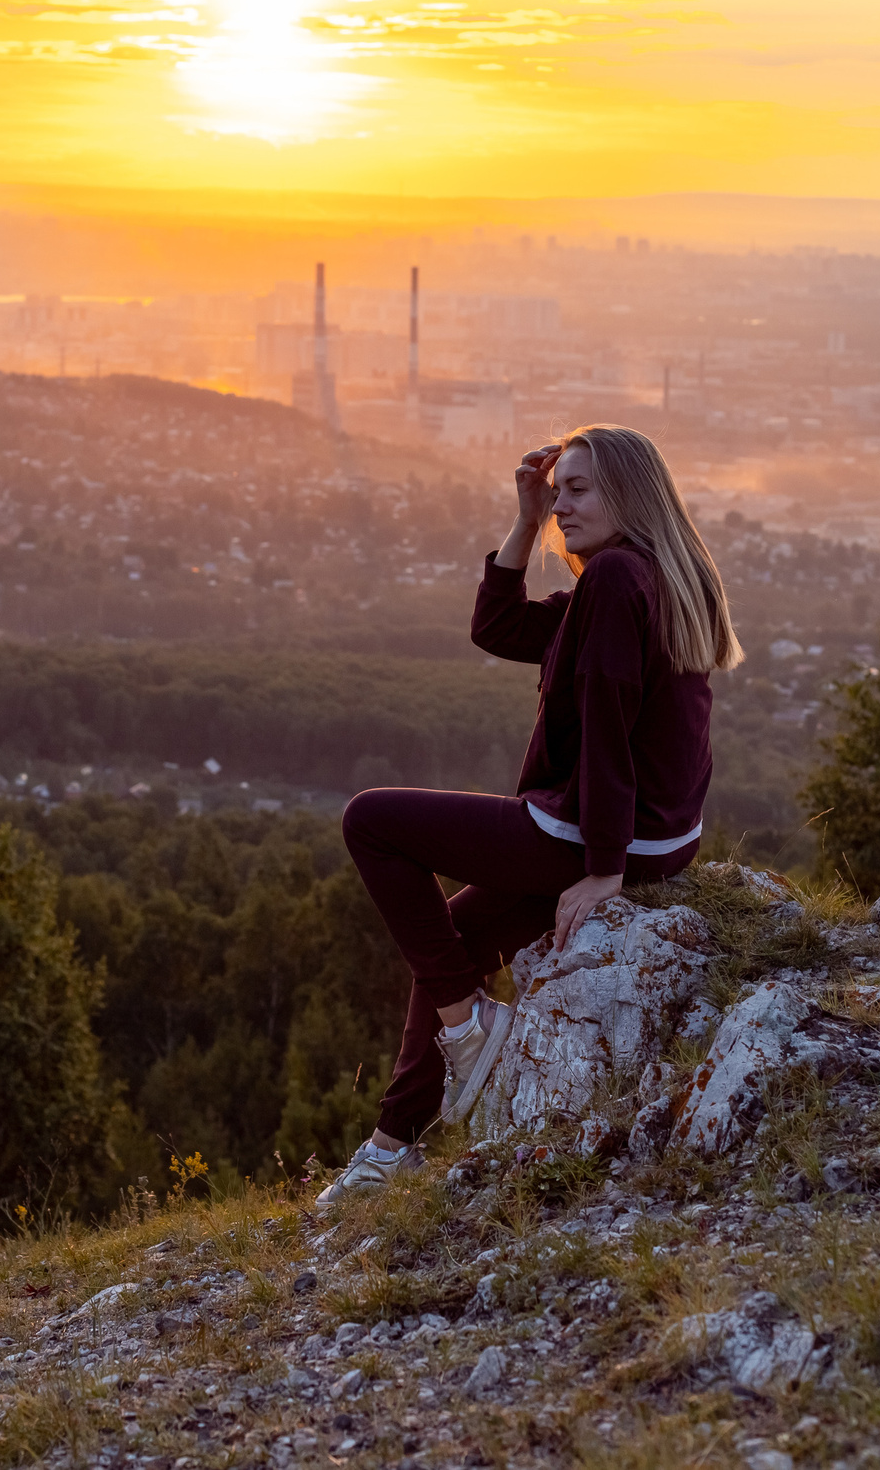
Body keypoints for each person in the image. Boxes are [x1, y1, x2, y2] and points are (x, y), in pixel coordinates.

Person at [318, 423, 743, 1206]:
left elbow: (610, 722)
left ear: (629, 493)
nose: (560, 506)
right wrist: (522, 518)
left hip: (597, 831)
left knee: (370, 820)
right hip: (662, 835)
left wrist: (604, 871)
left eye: (575, 490)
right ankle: (390, 1147)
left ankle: (467, 1025)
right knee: (459, 933)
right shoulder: (653, 575)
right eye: (557, 493)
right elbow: (498, 627)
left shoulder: (616, 579)